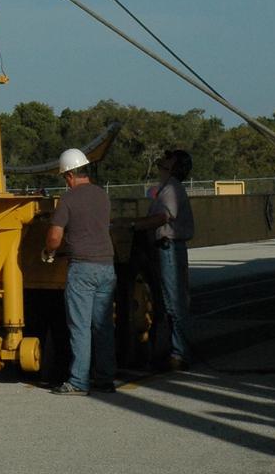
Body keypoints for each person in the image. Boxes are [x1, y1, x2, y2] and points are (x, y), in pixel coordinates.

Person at [43, 147, 117, 395]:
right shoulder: (102, 195)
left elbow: (54, 236)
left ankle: (78, 381)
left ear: (68, 176)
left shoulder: (67, 199)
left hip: (82, 268)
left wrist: (49, 252)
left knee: (80, 327)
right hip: (106, 266)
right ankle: (105, 378)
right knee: (103, 326)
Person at [134, 148, 195, 369]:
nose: (161, 164)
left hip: (169, 248)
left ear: (173, 168)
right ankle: (175, 350)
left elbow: (161, 218)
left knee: (173, 302)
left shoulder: (171, 190)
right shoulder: (168, 189)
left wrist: (133, 225)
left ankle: (179, 354)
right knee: (169, 301)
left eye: (165, 162)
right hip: (168, 248)